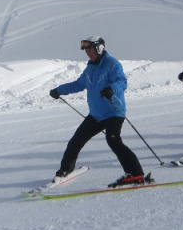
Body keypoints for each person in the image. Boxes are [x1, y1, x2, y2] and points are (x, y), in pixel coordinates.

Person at [48, 36, 146, 187]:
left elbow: (122, 82)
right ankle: (65, 170)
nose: (88, 52)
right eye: (86, 50)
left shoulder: (112, 64)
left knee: (113, 140)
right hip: (96, 115)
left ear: (99, 48)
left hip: (114, 112)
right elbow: (78, 84)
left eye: (90, 49)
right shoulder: (90, 69)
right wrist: (59, 90)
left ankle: (136, 174)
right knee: (76, 141)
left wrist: (111, 89)